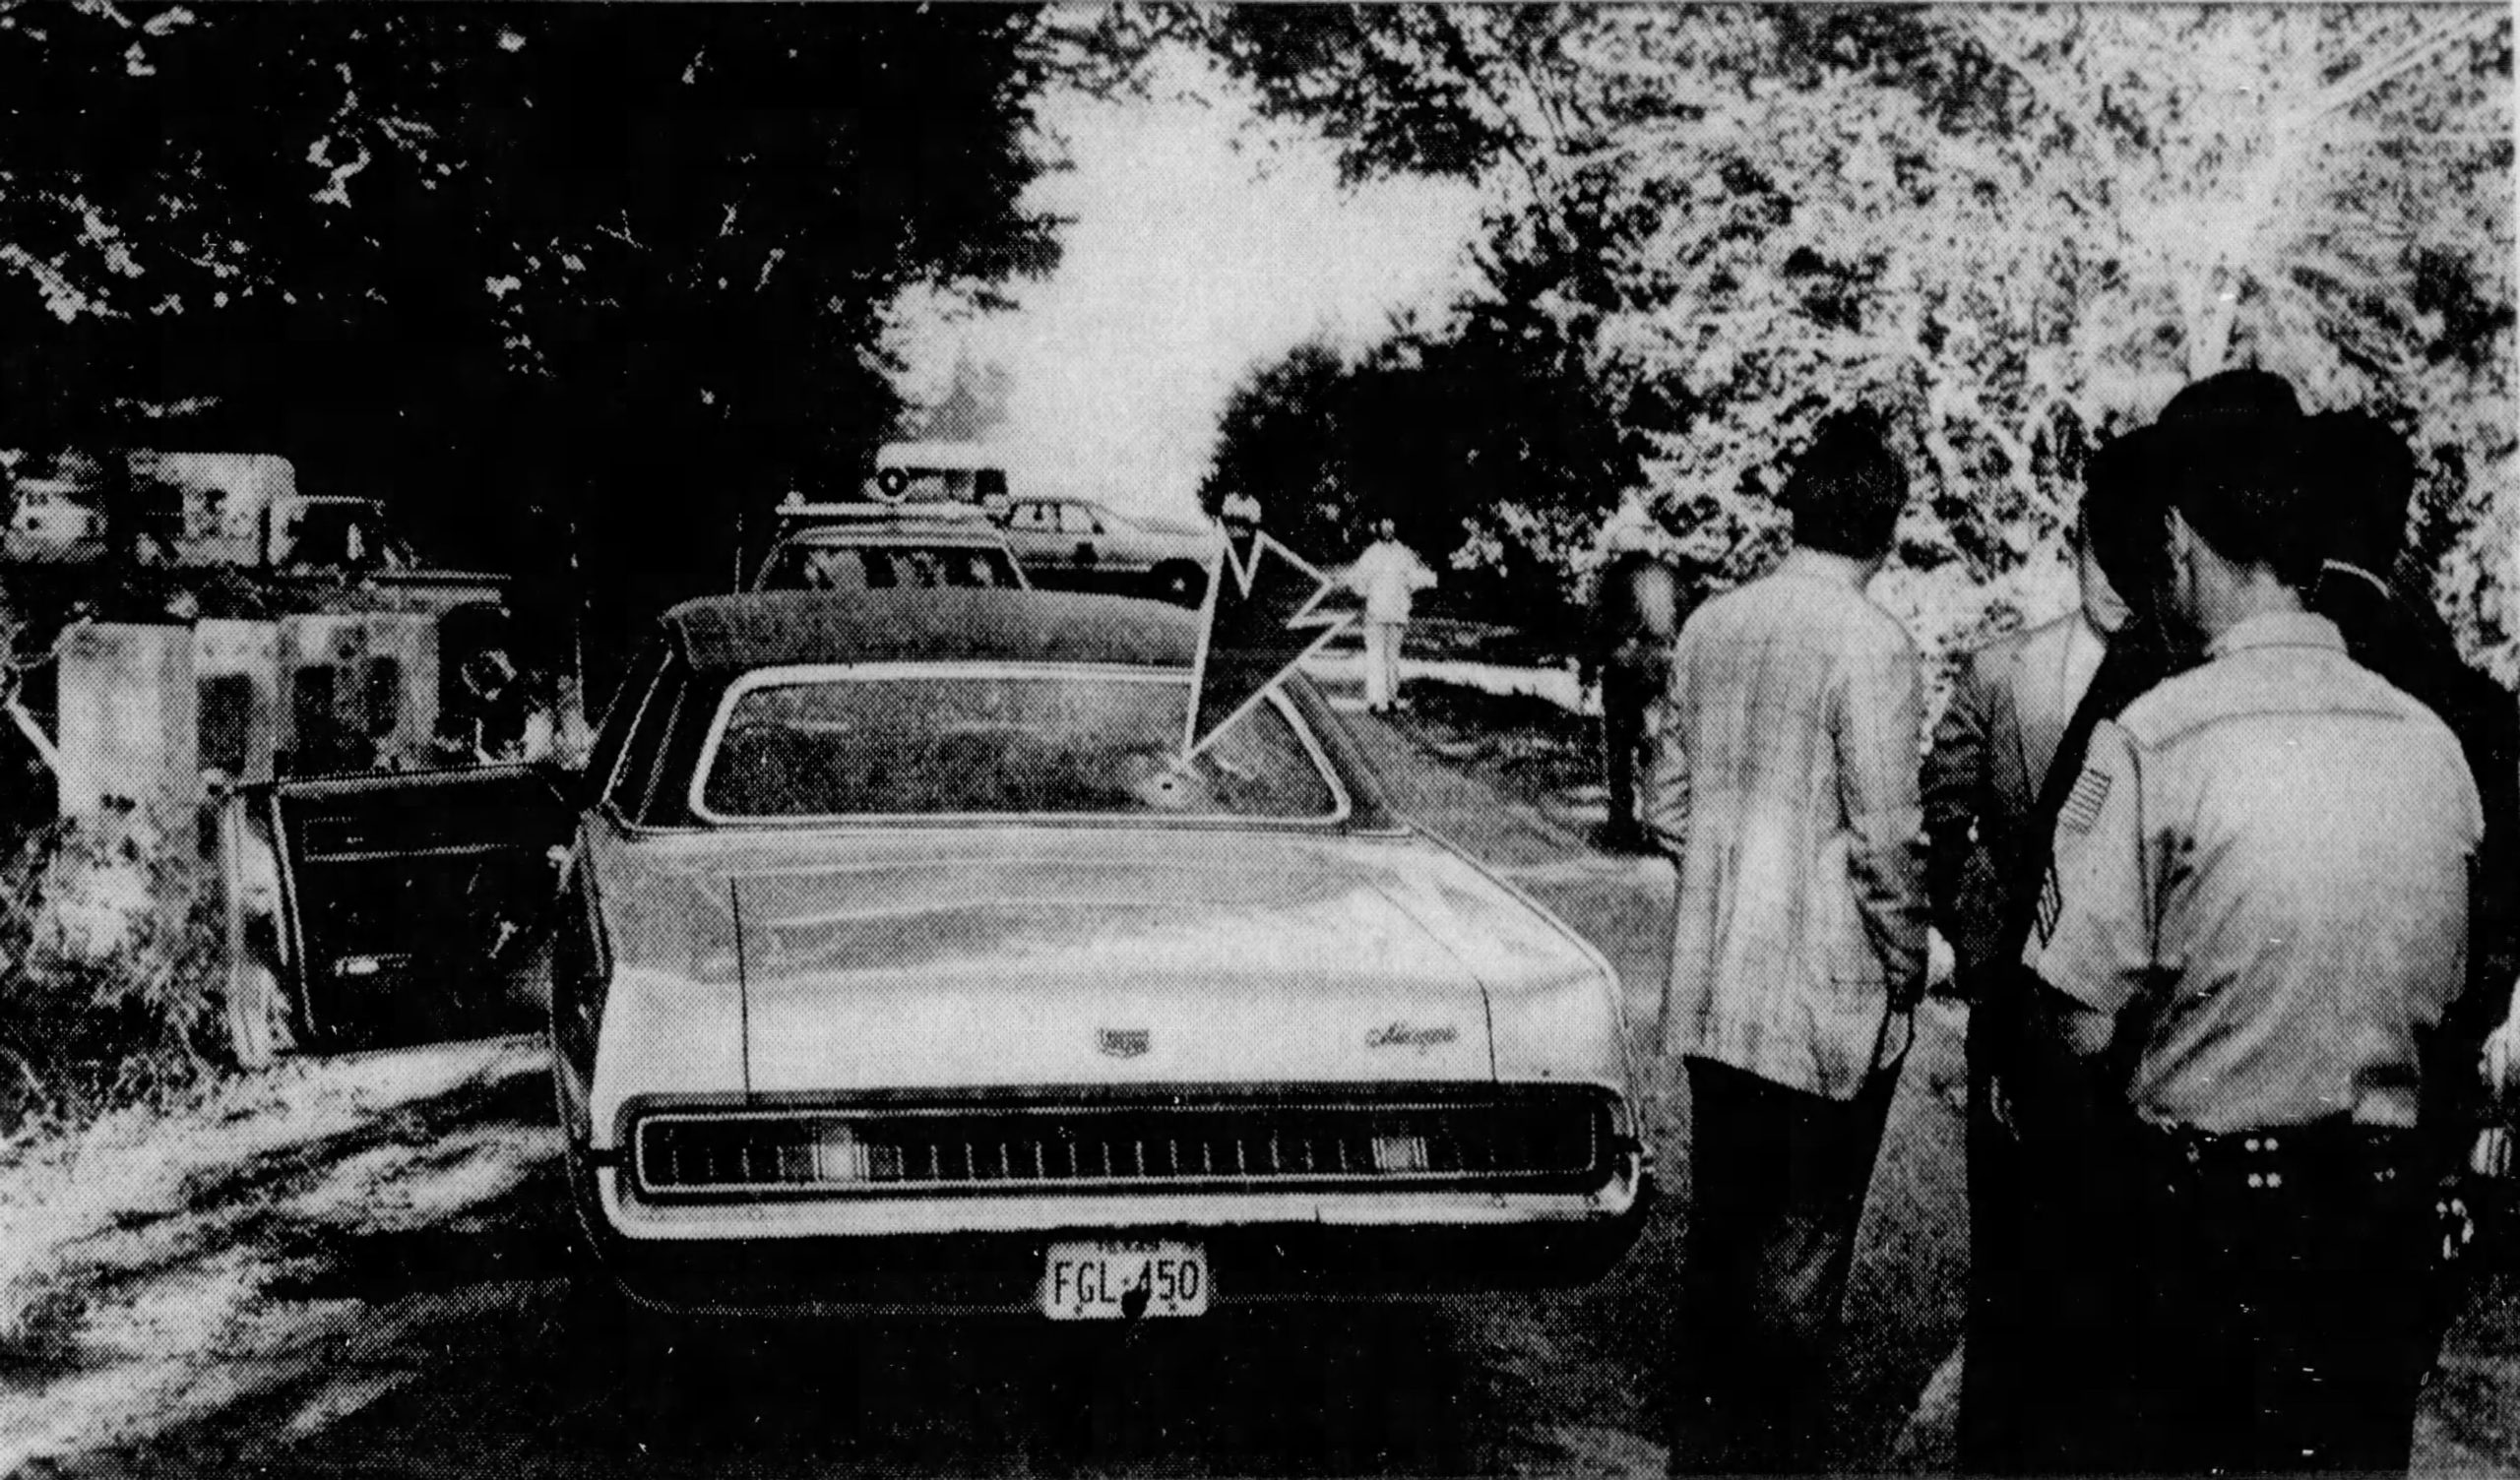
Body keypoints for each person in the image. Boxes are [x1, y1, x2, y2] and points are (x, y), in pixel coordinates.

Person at [2020, 392, 2481, 1474]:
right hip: (2372, 1244)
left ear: (2175, 539)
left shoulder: (2154, 742)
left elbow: (2075, 1025)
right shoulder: (2432, 748)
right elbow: (2451, 1003)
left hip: (2196, 1248)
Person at [1644, 410, 1925, 1472]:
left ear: (1796, 509)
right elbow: (1887, 838)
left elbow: (1667, 807)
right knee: (1800, 1272)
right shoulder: (1874, 644)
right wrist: (1906, 964)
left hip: (1718, 988)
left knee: (1721, 1249)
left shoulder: (1713, 624)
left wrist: (1732, 880)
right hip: (1825, 1001)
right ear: (1886, 530)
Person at [1923, 494, 2128, 1470]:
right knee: (2007, 1270)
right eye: (2099, 554)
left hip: (2124, 1024)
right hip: (2017, 1000)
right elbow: (1945, 809)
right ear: (2073, 548)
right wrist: (1977, 948)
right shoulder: (2002, 669)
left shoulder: (2186, 671)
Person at [1581, 525, 1684, 850]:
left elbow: (1595, 623)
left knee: (1620, 748)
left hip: (1624, 665)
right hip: (1665, 665)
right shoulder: (1670, 575)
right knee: (1658, 745)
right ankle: (1659, 824)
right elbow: (1685, 616)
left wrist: (1587, 671)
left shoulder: (1612, 577)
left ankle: (1622, 824)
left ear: (1618, 549)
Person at [1346, 519, 1435, 713]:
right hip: (1377, 613)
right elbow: (1357, 582)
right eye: (1384, 525)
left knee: (1391, 657)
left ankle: (1391, 698)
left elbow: (1416, 580)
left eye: (1391, 524)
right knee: (1376, 656)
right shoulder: (1371, 554)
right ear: (1378, 528)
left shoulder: (1404, 554)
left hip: (1396, 613)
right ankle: (1376, 700)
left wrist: (1408, 592)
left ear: (1395, 528)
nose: (1387, 529)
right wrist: (1367, 593)